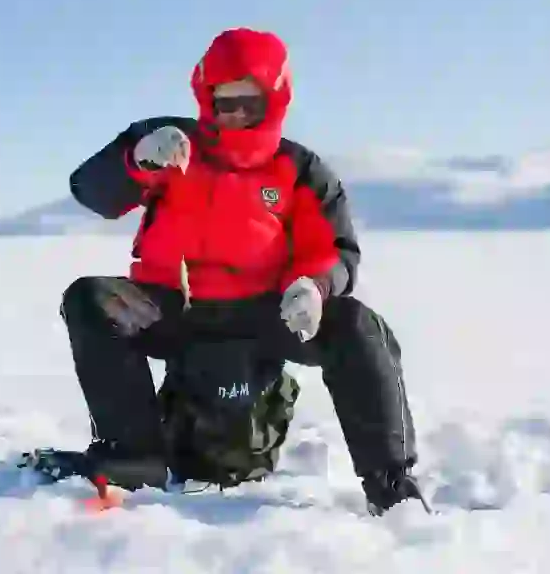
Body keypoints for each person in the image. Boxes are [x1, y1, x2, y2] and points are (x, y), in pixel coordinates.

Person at [60, 27, 426, 515]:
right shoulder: (166, 140)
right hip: (174, 306)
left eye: (246, 104)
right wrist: (136, 162)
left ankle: (391, 485)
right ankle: (135, 457)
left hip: (266, 314)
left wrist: (313, 288)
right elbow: (91, 191)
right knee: (90, 300)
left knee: (358, 324)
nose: (231, 115)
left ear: (274, 101)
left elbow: (337, 250)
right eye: (221, 101)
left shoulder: (300, 170)